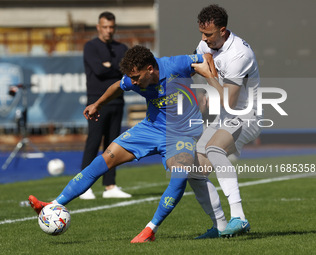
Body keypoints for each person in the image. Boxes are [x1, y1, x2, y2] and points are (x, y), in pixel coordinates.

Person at [28, 45, 215, 243]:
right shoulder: (132, 79)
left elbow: (207, 57)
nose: (132, 82)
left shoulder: (175, 64)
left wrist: (212, 85)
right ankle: (53, 204)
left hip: (182, 133)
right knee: (105, 159)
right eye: (131, 78)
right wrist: (97, 104)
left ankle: (150, 229)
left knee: (179, 175)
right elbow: (117, 86)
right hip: (151, 128)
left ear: (150, 69)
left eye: (136, 77)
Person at [188, 4, 262, 238]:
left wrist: (209, 79)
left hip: (247, 116)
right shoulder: (205, 43)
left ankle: (239, 217)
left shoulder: (239, 54)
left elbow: (229, 101)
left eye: (208, 34)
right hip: (225, 117)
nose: (203, 38)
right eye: (201, 33)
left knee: (214, 148)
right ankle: (219, 224)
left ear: (223, 30)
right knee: (193, 171)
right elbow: (193, 67)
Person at [80, 11, 131, 199]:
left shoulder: (121, 47)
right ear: (98, 27)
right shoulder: (90, 47)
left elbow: (125, 71)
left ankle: (110, 185)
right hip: (96, 102)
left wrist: (111, 66)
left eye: (111, 27)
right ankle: (84, 186)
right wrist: (111, 67)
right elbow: (99, 70)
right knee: (93, 143)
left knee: (113, 146)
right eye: (105, 27)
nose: (108, 31)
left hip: (117, 101)